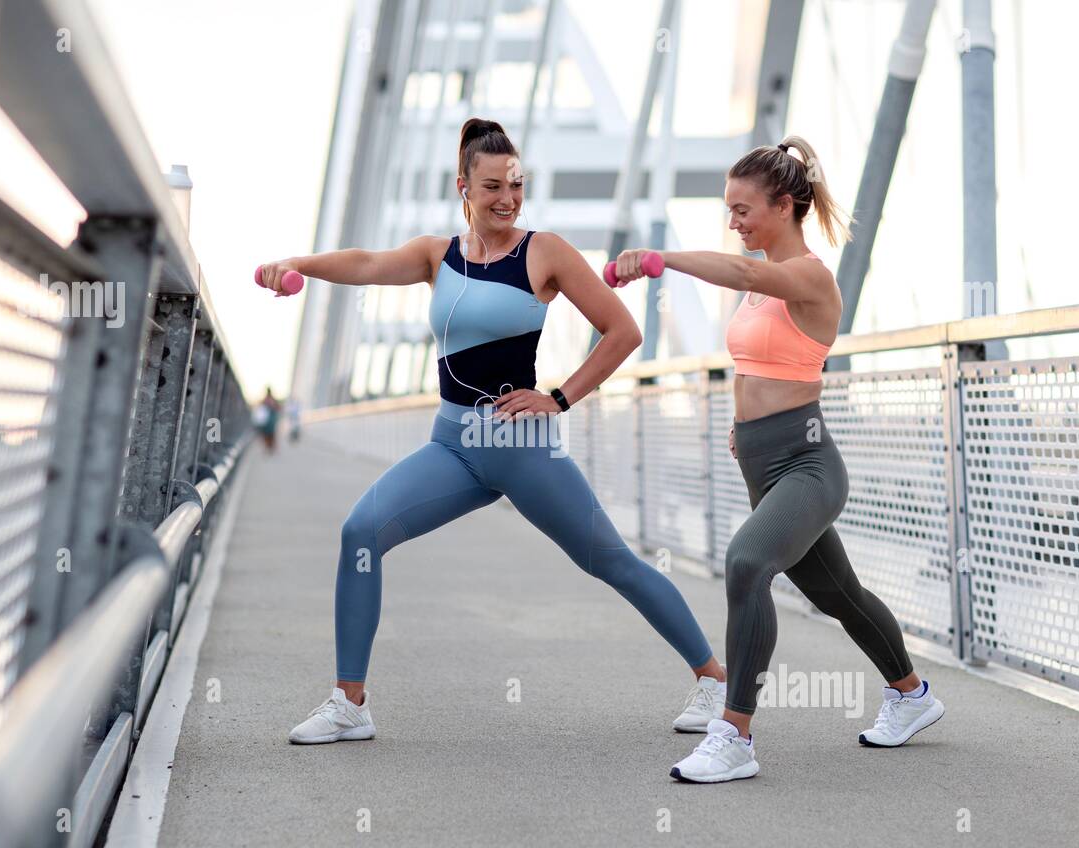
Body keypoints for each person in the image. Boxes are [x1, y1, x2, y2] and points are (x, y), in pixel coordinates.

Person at [258, 118, 729, 745]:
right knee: (360, 532)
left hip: (518, 448)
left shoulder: (546, 252)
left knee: (610, 561)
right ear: (464, 188)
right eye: (492, 186)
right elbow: (369, 262)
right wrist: (298, 264)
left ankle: (715, 679)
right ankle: (351, 704)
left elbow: (623, 332)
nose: (507, 197)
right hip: (451, 446)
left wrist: (558, 398)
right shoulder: (437, 255)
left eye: (516, 184)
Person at [614, 135, 944, 783]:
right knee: (839, 594)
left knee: (746, 562)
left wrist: (659, 259)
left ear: (786, 206)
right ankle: (912, 696)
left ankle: (733, 735)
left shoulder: (806, 276)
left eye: (743, 210)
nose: (733, 223)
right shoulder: (762, 284)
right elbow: (757, 362)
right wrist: (744, 425)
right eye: (728, 211)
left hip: (808, 464)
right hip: (762, 460)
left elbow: (742, 273)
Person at [254, 386, 281, 454]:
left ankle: (269, 447)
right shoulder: (272, 400)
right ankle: (270, 447)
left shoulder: (265, 400)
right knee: (270, 434)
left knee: (267, 434)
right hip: (270, 421)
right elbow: (278, 408)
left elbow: (260, 409)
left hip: (267, 421)